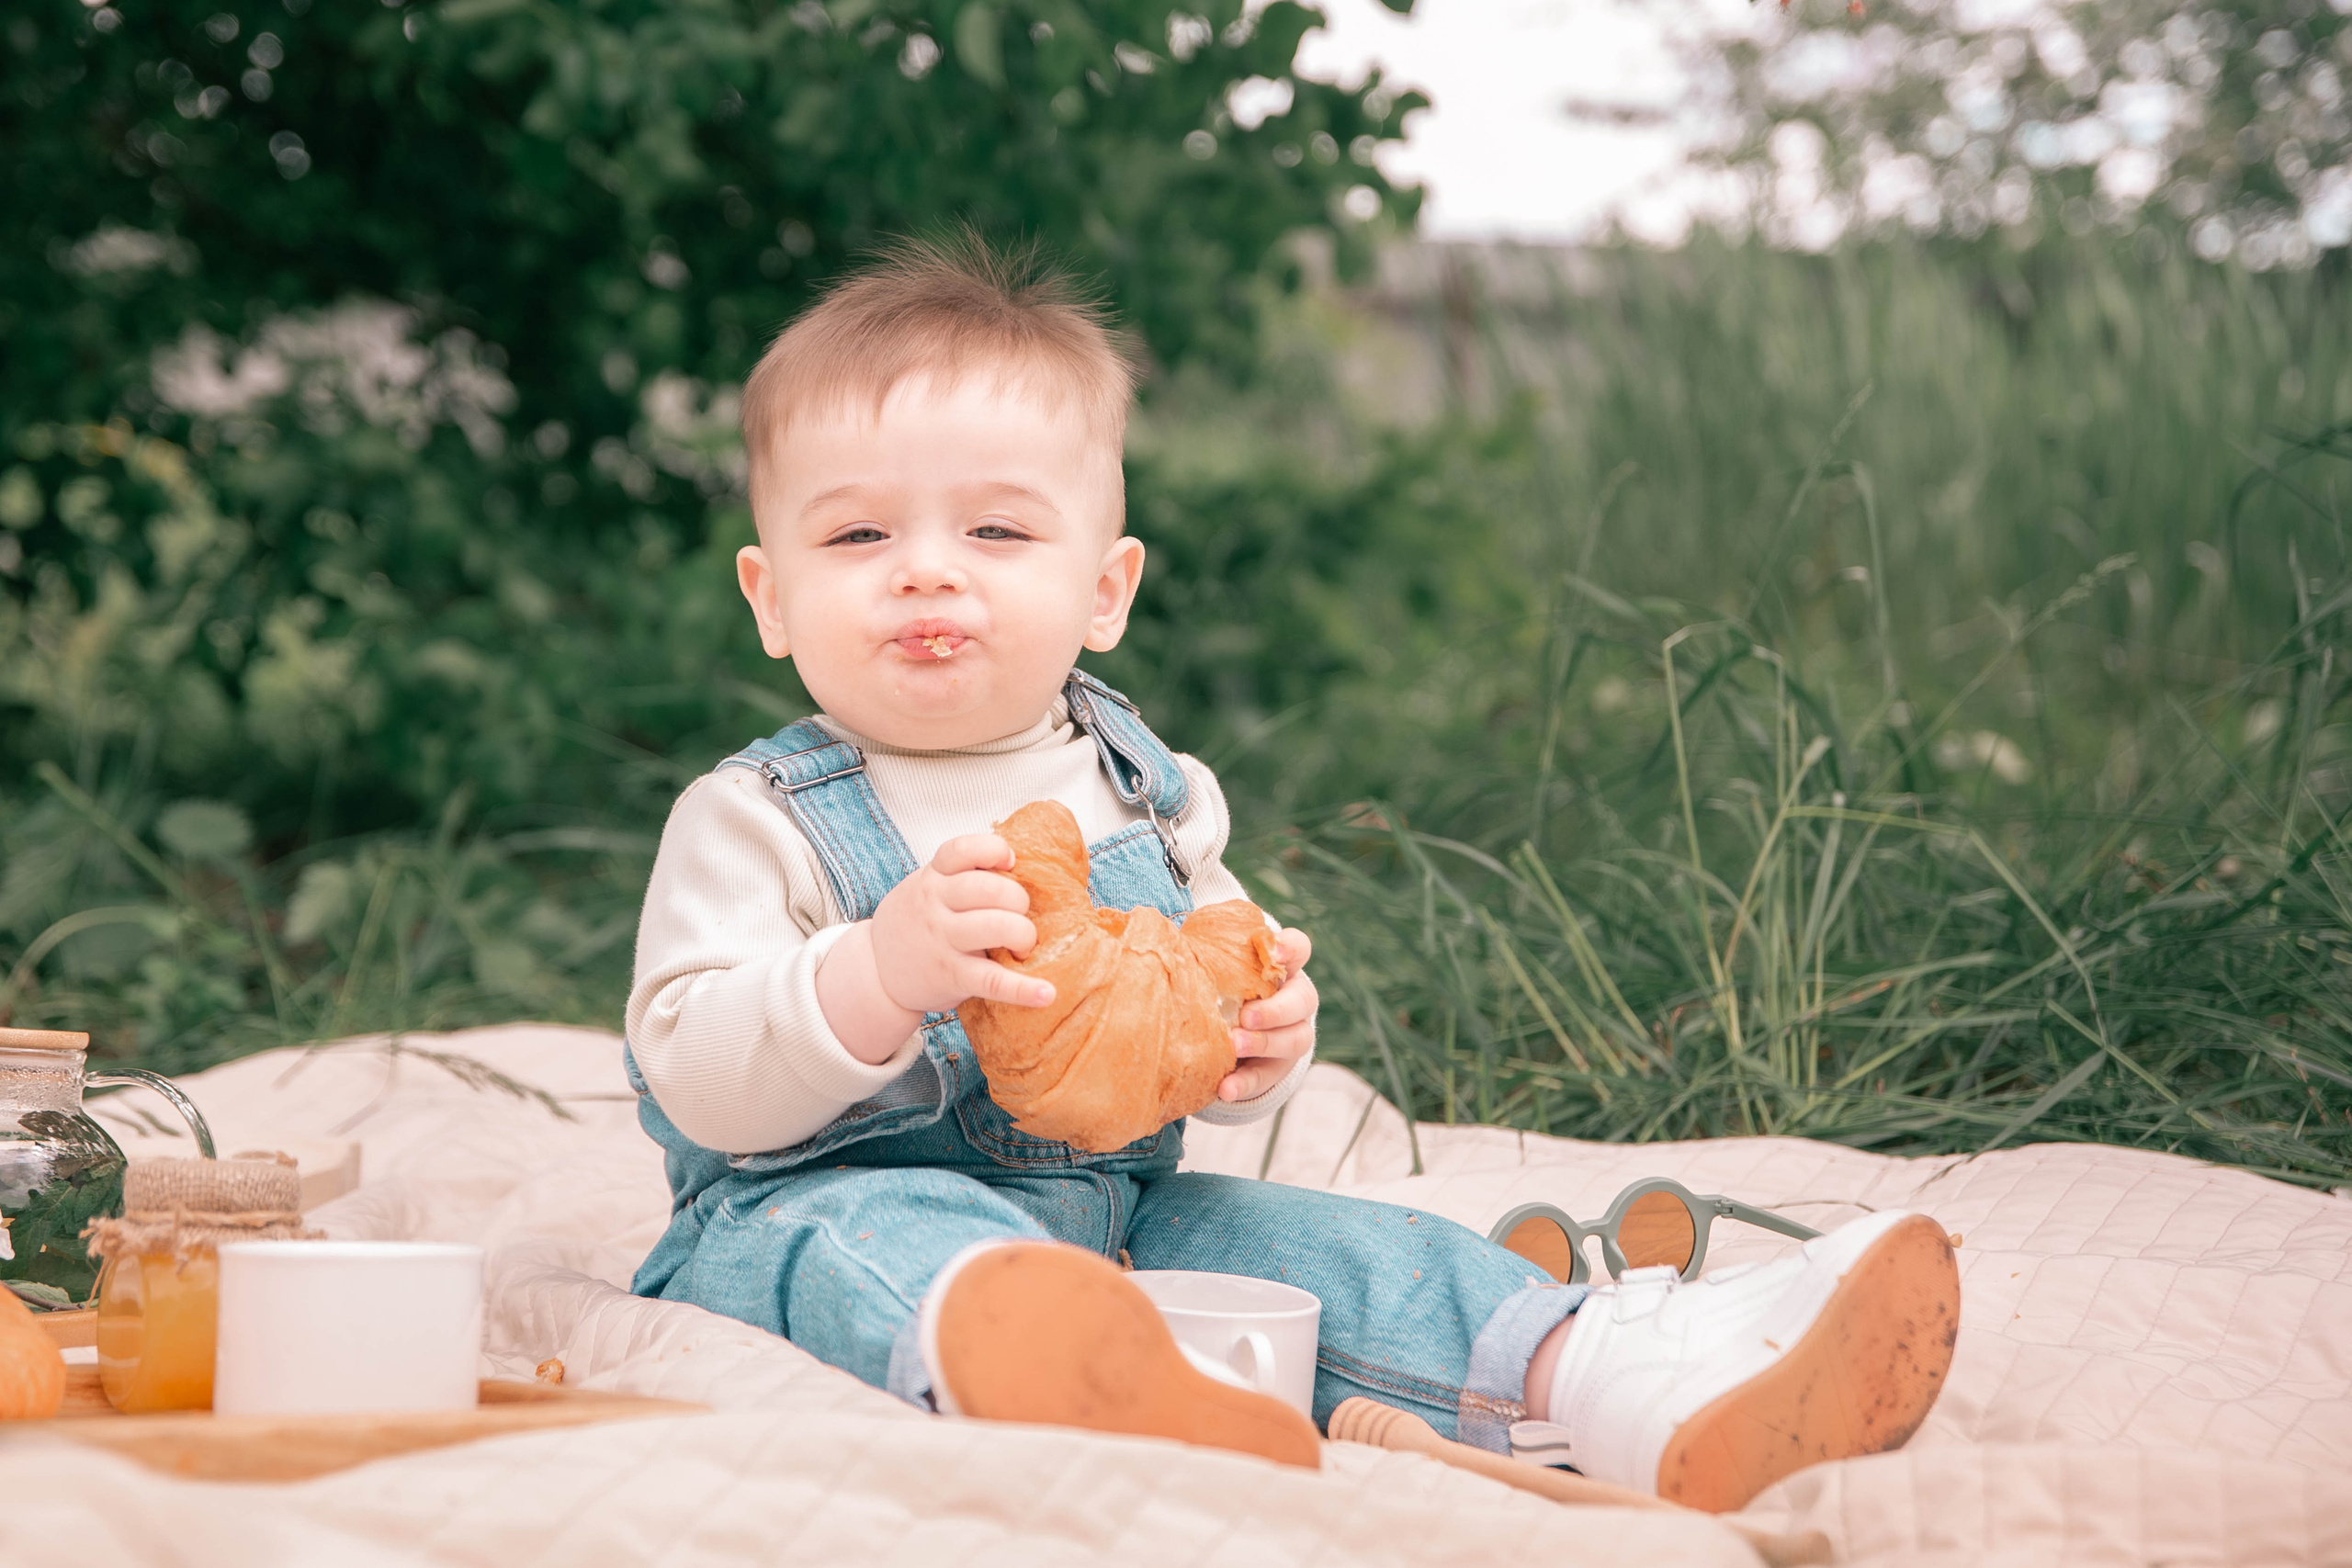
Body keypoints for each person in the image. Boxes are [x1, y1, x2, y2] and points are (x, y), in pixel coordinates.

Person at [623, 233, 1960, 1510]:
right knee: (869, 1240)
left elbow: (1207, 990)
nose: (925, 573)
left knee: (1325, 1251)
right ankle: (1052, 1377)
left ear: (1106, 589)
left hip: (1119, 1216)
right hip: (810, 1209)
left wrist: (1264, 1038)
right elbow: (696, 1071)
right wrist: (872, 974)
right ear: (771, 595)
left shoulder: (1152, 791)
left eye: (996, 534)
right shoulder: (758, 817)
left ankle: (1621, 1378)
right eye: (858, 539)